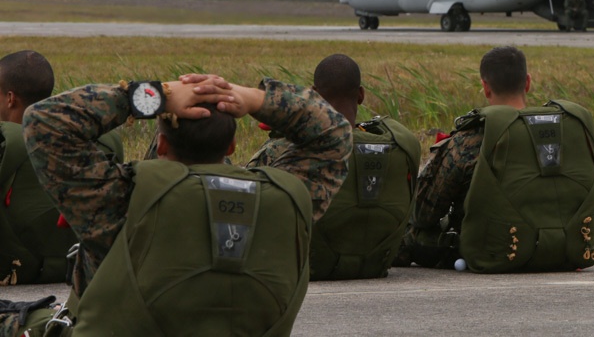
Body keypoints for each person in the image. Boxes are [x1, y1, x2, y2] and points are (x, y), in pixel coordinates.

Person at [2, 72, 351, 336]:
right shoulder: (286, 201)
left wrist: (157, 95)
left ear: (163, 147)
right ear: (230, 149)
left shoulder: (121, 200)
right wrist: (247, 97)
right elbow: (333, 132)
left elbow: (45, 119)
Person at [397, 46, 594, 272]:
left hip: (494, 251)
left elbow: (423, 214)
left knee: (409, 234)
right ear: (527, 82)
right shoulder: (569, 133)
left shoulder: (471, 139)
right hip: (567, 249)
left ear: (485, 87)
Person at [249, 54, 420, 280]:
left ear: (315, 95)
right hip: (376, 266)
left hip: (308, 267)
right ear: (360, 95)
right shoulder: (400, 148)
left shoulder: (283, 149)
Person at [0, 50, 79, 287]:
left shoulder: (7, 141)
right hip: (73, 265)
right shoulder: (85, 138)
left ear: (10, 98)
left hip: (14, 268)